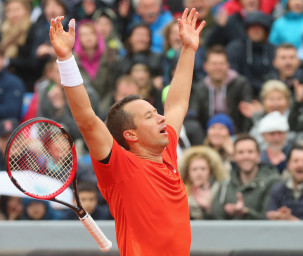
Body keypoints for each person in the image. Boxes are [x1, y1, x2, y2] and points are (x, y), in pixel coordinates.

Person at [49, 8, 205, 255]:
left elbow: (177, 104)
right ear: (131, 135)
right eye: (149, 116)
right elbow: (87, 120)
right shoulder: (119, 167)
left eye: (156, 112)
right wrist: (66, 58)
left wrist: (188, 49)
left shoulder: (167, 153)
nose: (161, 117)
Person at [211, 134, 281, 220]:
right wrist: (225, 211)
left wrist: (246, 212)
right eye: (241, 152)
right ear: (234, 156)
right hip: (231, 232)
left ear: (258, 155)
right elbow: (216, 217)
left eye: (250, 152)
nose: (246, 156)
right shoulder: (226, 183)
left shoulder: (273, 181)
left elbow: (271, 218)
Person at [190, 45, 253, 134]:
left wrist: (241, 136)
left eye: (221, 64)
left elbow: (247, 114)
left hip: (236, 134)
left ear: (228, 65)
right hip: (208, 135)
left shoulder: (240, 84)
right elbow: (194, 115)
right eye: (214, 64)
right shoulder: (199, 88)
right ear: (205, 66)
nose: (218, 68)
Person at [226, 11, 275, 97]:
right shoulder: (235, 48)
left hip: (268, 94)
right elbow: (233, 76)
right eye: (252, 26)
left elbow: (275, 75)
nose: (256, 30)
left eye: (259, 27)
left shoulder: (272, 50)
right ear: (247, 29)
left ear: (265, 30)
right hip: (241, 95)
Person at [179, 145, 229, 220]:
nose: (199, 173)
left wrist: (208, 209)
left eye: (203, 169)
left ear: (211, 171)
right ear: (187, 172)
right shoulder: (179, 192)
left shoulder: (222, 190)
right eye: (194, 169)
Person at [267, 145, 303, 220]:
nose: (300, 165)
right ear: (288, 165)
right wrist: (276, 216)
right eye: (295, 161)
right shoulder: (277, 190)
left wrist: (290, 219)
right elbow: (269, 215)